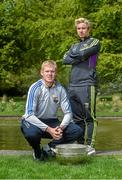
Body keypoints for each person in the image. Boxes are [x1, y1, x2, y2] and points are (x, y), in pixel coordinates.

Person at [21, 60, 82, 161]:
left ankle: (48, 148)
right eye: (47, 71)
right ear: (42, 73)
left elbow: (68, 113)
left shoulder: (60, 89)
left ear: (56, 73)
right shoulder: (35, 88)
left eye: (52, 71)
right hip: (33, 121)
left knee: (76, 130)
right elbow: (29, 115)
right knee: (32, 134)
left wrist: (61, 127)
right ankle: (37, 151)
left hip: (51, 120)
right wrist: (49, 130)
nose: (50, 74)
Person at [63, 17, 100, 155]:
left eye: (83, 28)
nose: (81, 30)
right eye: (79, 28)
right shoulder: (74, 45)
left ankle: (90, 146)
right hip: (73, 85)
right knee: (77, 118)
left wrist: (77, 56)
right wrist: (79, 56)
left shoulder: (95, 42)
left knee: (90, 117)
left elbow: (84, 53)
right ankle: (79, 146)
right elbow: (65, 59)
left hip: (87, 83)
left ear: (88, 29)